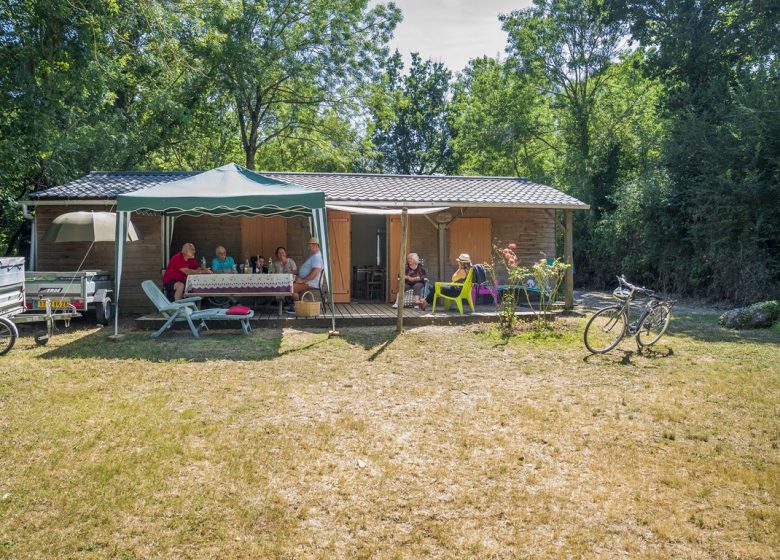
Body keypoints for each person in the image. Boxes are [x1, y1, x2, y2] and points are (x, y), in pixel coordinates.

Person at [289, 237, 323, 309]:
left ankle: (298, 307)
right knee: (290, 285)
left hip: (310, 282)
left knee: (289, 288)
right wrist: (296, 272)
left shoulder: (317, 256)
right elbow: (308, 269)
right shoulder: (314, 256)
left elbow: (315, 272)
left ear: (315, 245)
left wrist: (303, 280)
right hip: (308, 281)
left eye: (309, 246)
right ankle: (298, 305)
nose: (308, 248)